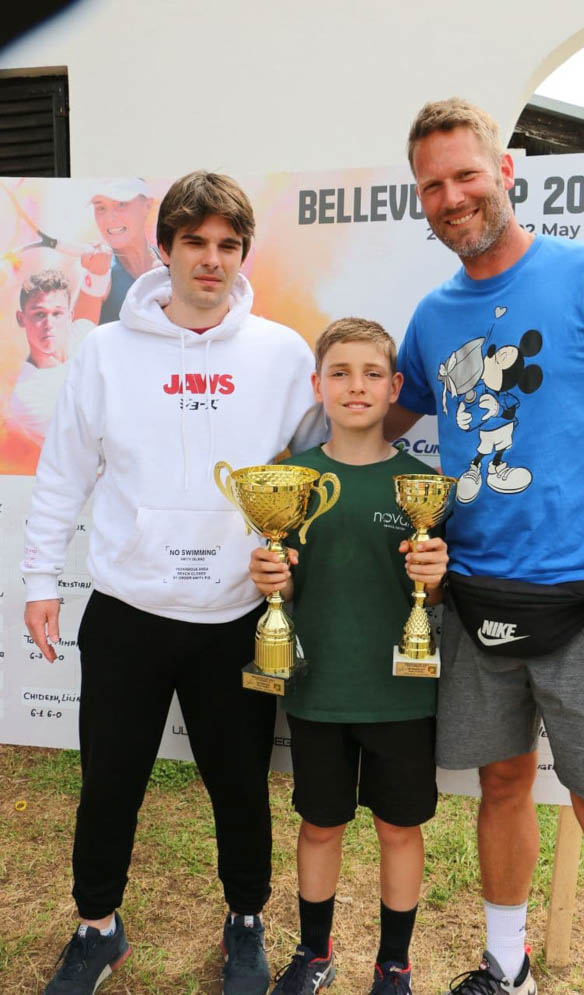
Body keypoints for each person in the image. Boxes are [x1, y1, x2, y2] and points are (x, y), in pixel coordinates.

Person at [22, 170, 324, 995]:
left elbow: (314, 469)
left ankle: (246, 922)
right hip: (129, 609)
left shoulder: (282, 353)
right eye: (195, 241)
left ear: (242, 253)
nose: (211, 259)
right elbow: (62, 474)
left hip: (235, 613)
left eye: (228, 244)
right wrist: (40, 578)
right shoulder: (106, 354)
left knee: (240, 787)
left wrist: (291, 554)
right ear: (163, 248)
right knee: (109, 781)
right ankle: (97, 927)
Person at [386, 98, 584, 995]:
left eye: (465, 174)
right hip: (474, 605)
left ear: (505, 172)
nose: (451, 196)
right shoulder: (430, 317)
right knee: (501, 788)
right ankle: (506, 968)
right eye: (432, 185)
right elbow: (378, 422)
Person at [249, 317, 448, 995]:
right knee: (319, 822)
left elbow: (436, 594)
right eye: (339, 372)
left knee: (399, 827)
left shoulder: (423, 485)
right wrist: (272, 578)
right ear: (317, 386)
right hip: (319, 689)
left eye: (370, 373)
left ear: (395, 387)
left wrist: (436, 571)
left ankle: (393, 962)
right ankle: (314, 950)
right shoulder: (288, 479)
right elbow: (284, 574)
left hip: (399, 693)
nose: (355, 385)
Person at [7, 270, 93, 445]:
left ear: (70, 316)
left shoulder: (85, 332)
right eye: (39, 314)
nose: (49, 325)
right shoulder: (24, 397)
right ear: (21, 318)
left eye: (57, 314)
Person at [74, 177, 160, 325]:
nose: (109, 219)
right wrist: (96, 276)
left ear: (147, 206)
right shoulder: (96, 273)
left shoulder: (170, 261)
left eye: (121, 204)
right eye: (100, 208)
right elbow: (80, 338)